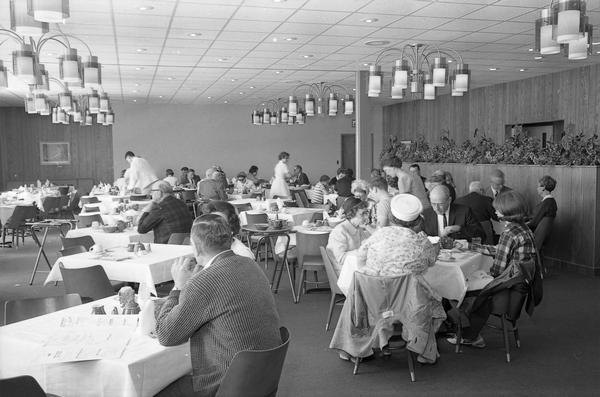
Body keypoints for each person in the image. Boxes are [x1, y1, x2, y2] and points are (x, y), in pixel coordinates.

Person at [155, 214, 281, 397]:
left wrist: (178, 287)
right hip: (263, 376)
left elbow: (166, 336)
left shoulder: (203, 282)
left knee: (153, 391)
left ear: (195, 246)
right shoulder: (251, 265)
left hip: (229, 383)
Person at [351, 193, 445, 364]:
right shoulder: (421, 242)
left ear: (391, 217)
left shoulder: (378, 235)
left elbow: (361, 259)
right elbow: (429, 263)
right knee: (429, 294)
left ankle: (363, 344)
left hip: (374, 300)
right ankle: (424, 350)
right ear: (418, 221)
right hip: (408, 305)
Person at [448, 191, 542, 349]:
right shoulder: (524, 229)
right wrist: (469, 246)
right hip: (520, 285)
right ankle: (469, 329)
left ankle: (468, 333)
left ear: (508, 212)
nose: (495, 212)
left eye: (498, 210)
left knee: (465, 286)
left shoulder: (509, 234)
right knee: (474, 280)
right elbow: (499, 250)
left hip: (508, 287)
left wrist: (482, 275)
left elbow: (498, 270)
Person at [326, 197, 371, 274]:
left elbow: (366, 246)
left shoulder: (358, 228)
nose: (366, 217)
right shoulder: (340, 231)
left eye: (366, 213)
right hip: (343, 274)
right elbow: (341, 258)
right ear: (351, 214)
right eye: (362, 214)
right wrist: (361, 251)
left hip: (355, 268)